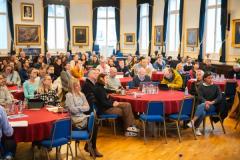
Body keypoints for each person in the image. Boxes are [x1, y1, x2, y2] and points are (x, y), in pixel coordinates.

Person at [65, 78, 103, 157]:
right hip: (75, 119)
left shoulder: (81, 94)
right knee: (95, 123)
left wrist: (78, 108)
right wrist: (81, 107)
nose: (79, 87)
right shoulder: (69, 95)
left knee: (95, 122)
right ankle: (91, 147)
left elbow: (88, 107)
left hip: (82, 116)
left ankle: (90, 146)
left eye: (79, 85)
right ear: (72, 86)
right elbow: (72, 110)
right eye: (77, 86)